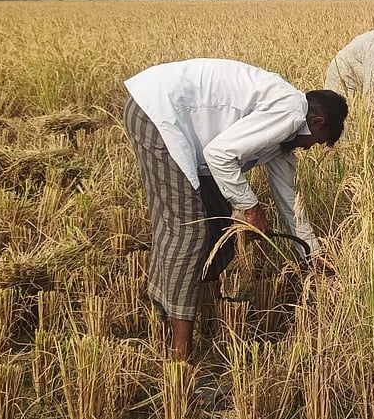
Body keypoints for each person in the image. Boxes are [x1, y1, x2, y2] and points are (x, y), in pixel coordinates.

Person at [123, 58, 348, 361]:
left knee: (219, 230)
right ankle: (180, 356)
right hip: (159, 113)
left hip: (185, 129)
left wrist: (312, 253)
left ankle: (205, 310)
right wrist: (251, 208)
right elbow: (219, 155)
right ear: (317, 123)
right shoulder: (291, 113)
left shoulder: (285, 139)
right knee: (188, 232)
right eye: (317, 142)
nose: (309, 148)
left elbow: (288, 200)